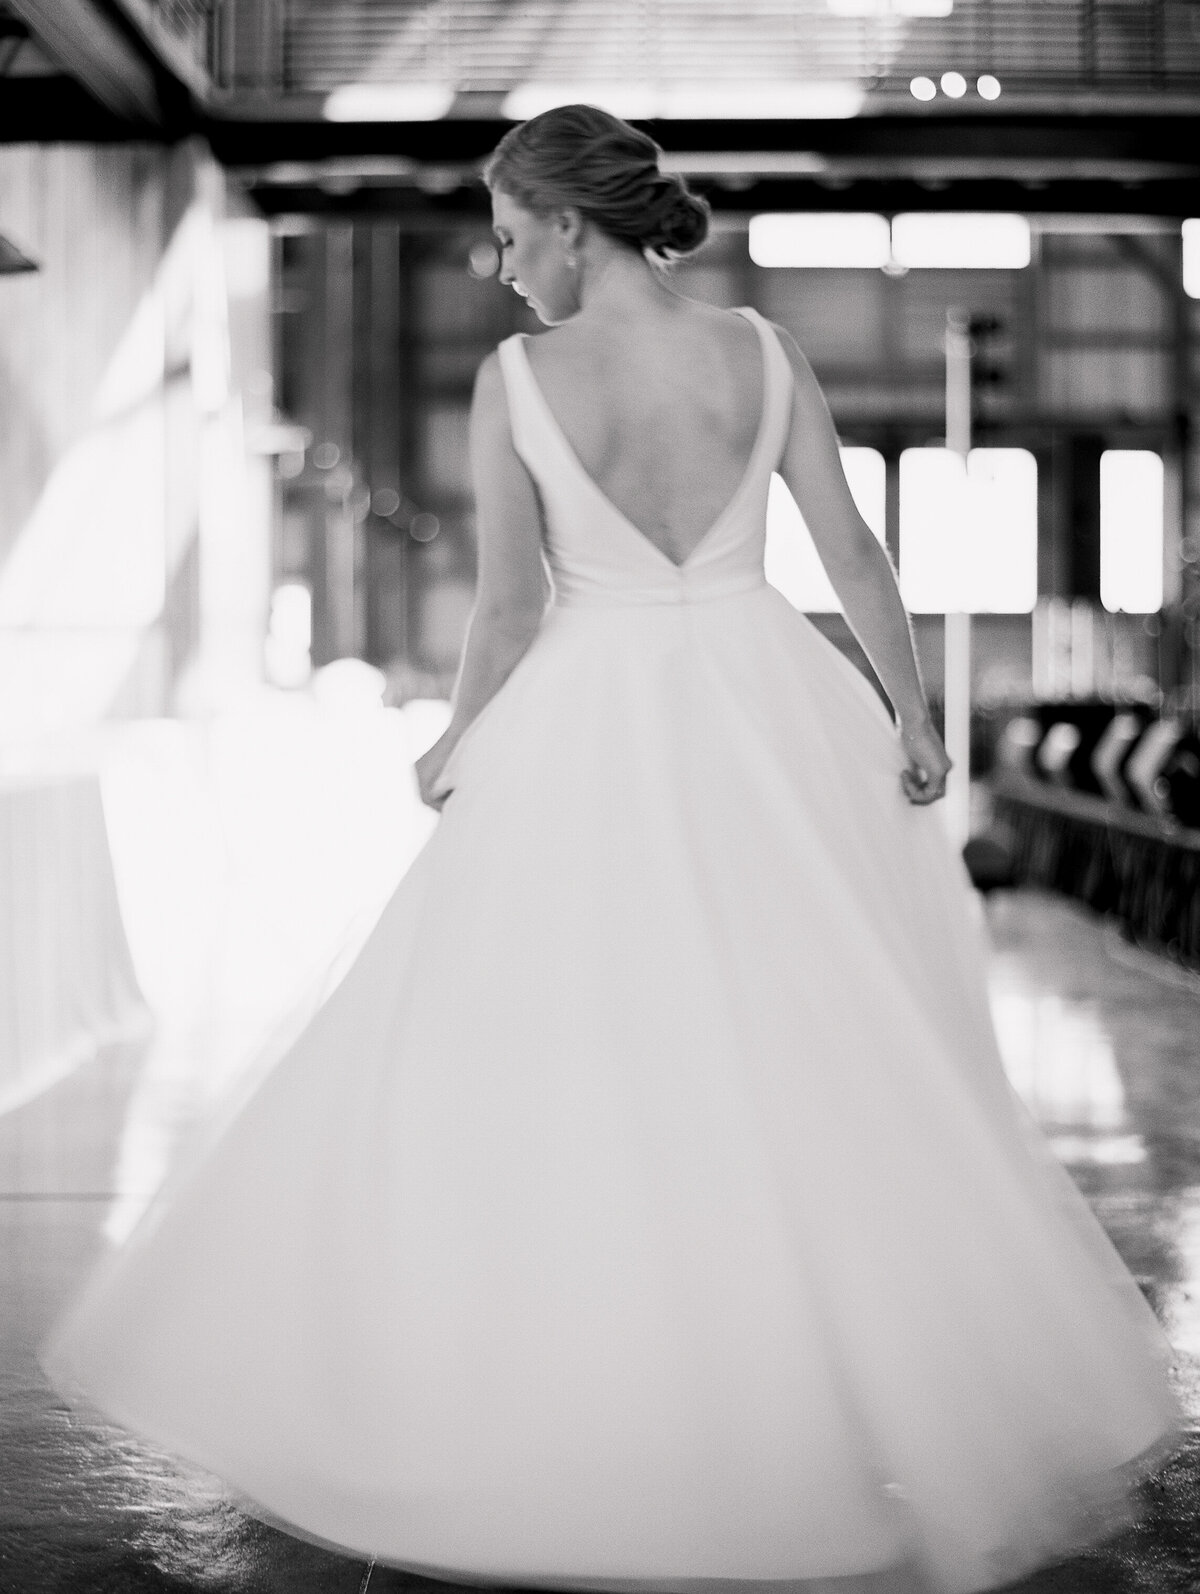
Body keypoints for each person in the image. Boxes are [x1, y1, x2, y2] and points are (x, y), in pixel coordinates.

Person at [44, 105, 1181, 1594]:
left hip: (592, 717)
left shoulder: (519, 382)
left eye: (514, 235)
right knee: (800, 1043)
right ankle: (810, 1391)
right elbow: (852, 555)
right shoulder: (765, 353)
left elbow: (512, 611)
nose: (504, 269)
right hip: (771, 708)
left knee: (558, 1048)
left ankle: (579, 1377)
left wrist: (456, 742)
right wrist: (911, 712)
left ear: (572, 222)